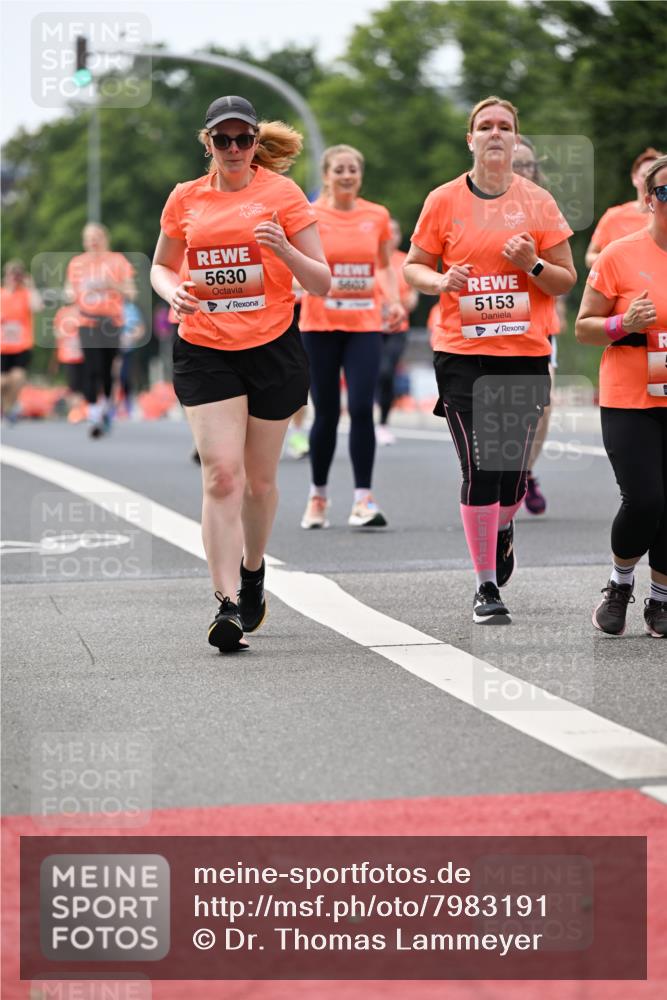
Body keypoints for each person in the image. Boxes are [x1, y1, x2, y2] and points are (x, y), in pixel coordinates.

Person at [151, 95, 330, 652]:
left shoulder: (281, 195)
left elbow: (322, 281)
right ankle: (226, 602)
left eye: (243, 140)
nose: (233, 149)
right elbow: (160, 264)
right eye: (222, 140)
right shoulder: (185, 198)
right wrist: (171, 290)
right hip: (205, 348)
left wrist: (284, 252)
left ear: (256, 143)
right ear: (207, 142)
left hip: (273, 347)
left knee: (259, 482)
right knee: (221, 476)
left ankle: (254, 571)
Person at [404, 95, 576, 624]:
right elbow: (414, 267)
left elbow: (566, 278)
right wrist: (440, 281)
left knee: (512, 478)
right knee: (480, 469)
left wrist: (533, 263)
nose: (495, 134)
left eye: (505, 126)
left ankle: (503, 527)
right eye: (486, 126)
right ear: (471, 138)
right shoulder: (443, 200)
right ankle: (485, 588)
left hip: (523, 352)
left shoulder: (539, 202)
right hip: (462, 352)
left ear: (516, 139)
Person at [575, 154, 667, 638]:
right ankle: (619, 583)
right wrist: (623, 324)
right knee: (646, 498)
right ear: (649, 200)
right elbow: (584, 328)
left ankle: (661, 600)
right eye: (666, 192)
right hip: (631, 396)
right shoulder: (619, 254)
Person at [298, 144, 406, 529]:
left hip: (364, 324)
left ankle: (363, 499)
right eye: (339, 170)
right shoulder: (309, 215)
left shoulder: (375, 215)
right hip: (319, 324)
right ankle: (318, 497)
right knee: (325, 411)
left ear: (360, 175)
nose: (347, 176)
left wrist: (392, 300)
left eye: (353, 170)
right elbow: (296, 264)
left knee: (362, 407)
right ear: (326, 174)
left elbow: (382, 267)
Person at [512, 136, 567, 515]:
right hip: (488, 321)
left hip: (537, 319)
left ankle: (525, 472)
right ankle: (495, 473)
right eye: (515, 165)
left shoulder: (545, 208)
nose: (521, 172)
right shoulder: (471, 204)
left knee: (540, 404)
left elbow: (563, 270)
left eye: (527, 165)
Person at [65, 223, 136, 438]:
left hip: (111, 321)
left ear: (105, 237)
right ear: (84, 241)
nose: (93, 240)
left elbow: (131, 293)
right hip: (87, 322)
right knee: (91, 368)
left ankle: (104, 407)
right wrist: (69, 294)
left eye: (97, 236)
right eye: (89, 237)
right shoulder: (77, 263)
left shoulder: (118, 261)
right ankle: (94, 414)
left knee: (107, 370)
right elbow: (70, 290)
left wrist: (111, 285)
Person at [376, 218, 419, 445]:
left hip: (396, 328)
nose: (391, 236)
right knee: (369, 373)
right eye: (387, 232)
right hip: (369, 327)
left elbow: (411, 299)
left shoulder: (404, 262)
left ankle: (382, 423)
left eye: (395, 232)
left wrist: (397, 303)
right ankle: (364, 417)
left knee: (386, 372)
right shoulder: (369, 260)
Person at [585, 147, 663, 268]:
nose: (649, 181)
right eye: (644, 175)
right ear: (634, 178)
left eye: (654, 176)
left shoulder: (663, 219)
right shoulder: (613, 216)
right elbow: (590, 256)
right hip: (620, 284)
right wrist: (618, 263)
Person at [1, 260, 42, 422]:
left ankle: (10, 408)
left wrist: (31, 286)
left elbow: (38, 307)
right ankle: (7, 405)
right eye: (12, 274)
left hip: (21, 345)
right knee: (3, 382)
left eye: (18, 275)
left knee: (17, 378)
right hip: (2, 347)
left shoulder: (25, 294)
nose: (14, 278)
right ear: (6, 275)